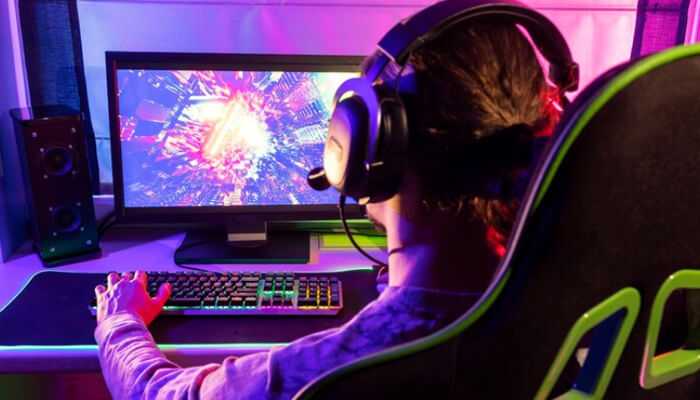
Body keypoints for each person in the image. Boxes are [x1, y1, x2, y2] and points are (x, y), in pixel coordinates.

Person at [93, 17, 562, 400]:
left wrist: (119, 323)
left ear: (363, 147)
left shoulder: (337, 369)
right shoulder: (563, 310)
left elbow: (156, 394)